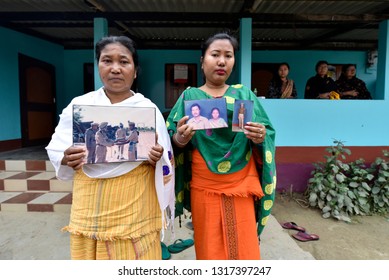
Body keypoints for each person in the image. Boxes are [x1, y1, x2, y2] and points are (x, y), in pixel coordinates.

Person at [45, 36, 175, 260]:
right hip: (90, 207)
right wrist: (67, 158)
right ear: (98, 67)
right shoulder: (79, 106)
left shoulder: (148, 109)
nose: (115, 68)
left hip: (136, 208)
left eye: (124, 62)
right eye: (107, 61)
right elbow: (56, 150)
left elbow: (165, 160)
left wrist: (156, 157)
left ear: (135, 71)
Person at [166, 32, 276, 260]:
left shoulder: (243, 94)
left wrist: (260, 137)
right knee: (209, 246)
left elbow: (267, 132)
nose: (222, 61)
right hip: (203, 184)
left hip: (241, 182)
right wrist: (180, 139)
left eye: (229, 55)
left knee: (245, 246)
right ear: (202, 60)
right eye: (215, 54)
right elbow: (169, 140)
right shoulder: (189, 97)